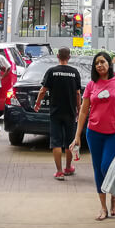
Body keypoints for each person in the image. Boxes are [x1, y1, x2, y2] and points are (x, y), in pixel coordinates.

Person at [72, 51, 115, 221]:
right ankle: (103, 207)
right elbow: (83, 111)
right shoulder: (91, 85)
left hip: (114, 133)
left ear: (109, 64)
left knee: (107, 166)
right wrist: (77, 135)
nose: (100, 65)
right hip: (94, 133)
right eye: (97, 63)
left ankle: (114, 196)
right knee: (98, 170)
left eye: (103, 62)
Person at [34, 47, 82, 180]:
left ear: (57, 56)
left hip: (55, 112)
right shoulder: (74, 72)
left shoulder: (52, 71)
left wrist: (37, 103)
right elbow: (78, 94)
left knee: (56, 142)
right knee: (69, 141)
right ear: (69, 57)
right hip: (70, 112)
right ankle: (68, 167)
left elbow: (43, 90)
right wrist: (78, 109)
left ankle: (59, 172)